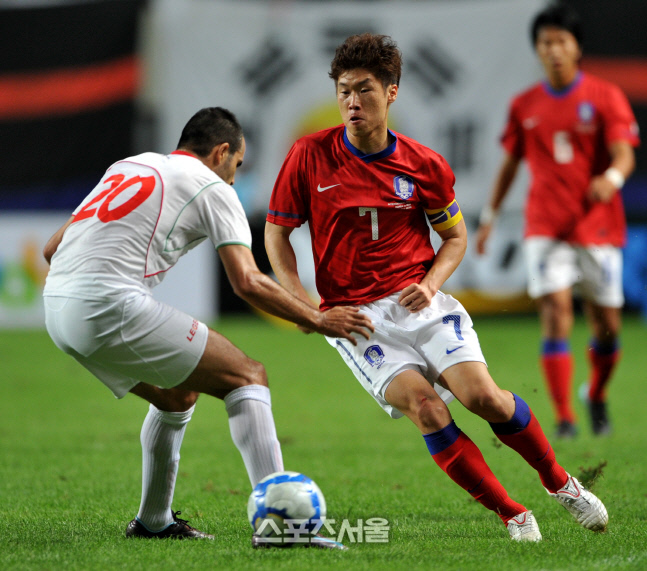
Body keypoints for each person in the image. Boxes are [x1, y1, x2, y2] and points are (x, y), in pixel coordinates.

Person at [265, 33, 609, 542]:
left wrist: (430, 284)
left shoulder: (423, 164)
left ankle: (561, 484)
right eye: (343, 91)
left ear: (392, 92)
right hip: (356, 319)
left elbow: (454, 236)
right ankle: (513, 514)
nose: (352, 102)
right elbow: (277, 233)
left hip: (418, 302)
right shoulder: (309, 155)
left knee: (483, 398)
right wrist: (309, 306)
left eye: (364, 90)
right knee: (427, 408)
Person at [42, 107, 373, 547]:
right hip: (108, 305)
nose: (235, 179)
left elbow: (51, 248)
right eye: (236, 165)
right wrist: (316, 317)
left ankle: (153, 522)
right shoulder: (212, 187)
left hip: (57, 309)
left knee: (176, 395)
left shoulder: (130, 165)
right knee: (247, 375)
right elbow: (248, 281)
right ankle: (282, 529)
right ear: (221, 152)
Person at [476, 4, 639, 438]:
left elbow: (625, 151)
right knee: (556, 311)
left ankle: (596, 393)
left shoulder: (605, 97)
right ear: (537, 49)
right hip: (545, 226)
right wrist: (489, 218)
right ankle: (565, 417)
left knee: (607, 326)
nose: (554, 50)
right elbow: (510, 164)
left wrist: (611, 177)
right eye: (546, 42)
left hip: (596, 225)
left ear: (577, 47)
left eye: (561, 41)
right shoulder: (525, 105)